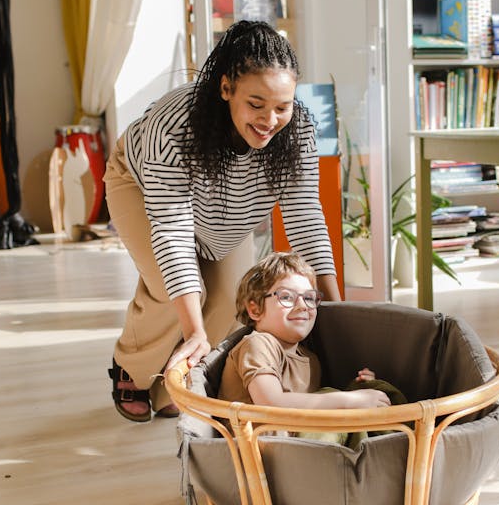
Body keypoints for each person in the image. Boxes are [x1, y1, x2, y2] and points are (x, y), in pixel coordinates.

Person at [104, 21, 341, 422]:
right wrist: (194, 330)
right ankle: (132, 368)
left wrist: (336, 311)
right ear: (226, 88)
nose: (270, 119)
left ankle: (171, 387)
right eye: (256, 104)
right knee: (173, 289)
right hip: (141, 186)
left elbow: (305, 218)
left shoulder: (297, 129)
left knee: (231, 301)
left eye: (282, 106)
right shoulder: (173, 126)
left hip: (224, 211)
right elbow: (173, 233)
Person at [218, 251, 406, 444]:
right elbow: (270, 402)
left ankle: (400, 440)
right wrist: (350, 400)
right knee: (335, 397)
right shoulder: (258, 343)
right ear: (255, 309)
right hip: (261, 453)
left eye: (309, 298)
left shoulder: (310, 359)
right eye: (287, 297)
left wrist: (362, 392)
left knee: (373, 389)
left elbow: (311, 408)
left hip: (303, 446)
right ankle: (392, 446)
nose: (302, 306)